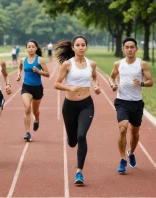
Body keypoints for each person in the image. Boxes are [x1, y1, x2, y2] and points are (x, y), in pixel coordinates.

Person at [54, 35, 101, 185]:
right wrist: (69, 87)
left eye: (83, 45)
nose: (81, 47)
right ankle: (71, 137)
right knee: (73, 142)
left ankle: (79, 172)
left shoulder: (91, 64)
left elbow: (94, 77)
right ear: (73, 48)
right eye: (78, 45)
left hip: (86, 105)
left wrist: (96, 85)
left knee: (82, 136)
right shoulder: (67, 65)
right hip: (69, 106)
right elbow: (56, 83)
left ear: (86, 47)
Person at [108, 37, 153, 174]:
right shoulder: (118, 64)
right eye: (126, 47)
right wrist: (113, 84)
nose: (129, 49)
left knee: (134, 133)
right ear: (123, 49)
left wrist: (141, 83)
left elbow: (150, 81)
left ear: (136, 49)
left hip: (137, 103)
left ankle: (131, 152)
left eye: (132, 47)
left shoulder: (142, 64)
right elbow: (111, 77)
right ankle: (122, 159)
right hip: (122, 101)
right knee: (122, 129)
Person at [16, 39, 49, 142]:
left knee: (35, 111)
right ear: (26, 49)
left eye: (33, 47)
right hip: (26, 87)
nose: (31, 49)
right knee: (27, 108)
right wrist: (18, 74)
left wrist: (39, 71)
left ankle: (37, 119)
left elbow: (47, 74)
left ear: (36, 48)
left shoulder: (40, 60)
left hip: (38, 88)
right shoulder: (22, 60)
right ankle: (27, 133)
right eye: (29, 47)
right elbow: (20, 68)